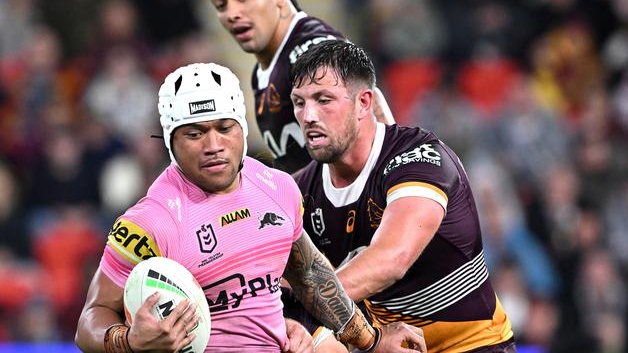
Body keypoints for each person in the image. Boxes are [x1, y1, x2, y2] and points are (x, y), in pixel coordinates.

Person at [74, 62, 426, 353]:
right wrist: (129, 343)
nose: (214, 145)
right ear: (171, 142)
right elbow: (91, 319)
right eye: (194, 134)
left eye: (225, 128)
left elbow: (309, 277)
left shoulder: (277, 187)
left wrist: (371, 340)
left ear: (242, 129)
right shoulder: (149, 221)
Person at [290, 40, 517, 352]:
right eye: (299, 103)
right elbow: (272, 288)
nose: (309, 116)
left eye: (323, 100)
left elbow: (391, 259)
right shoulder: (298, 193)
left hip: (473, 345)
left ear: (364, 103)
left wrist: (306, 306)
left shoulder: (421, 159)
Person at [209, 0, 394, 174]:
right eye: (221, 5)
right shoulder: (261, 73)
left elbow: (370, 106)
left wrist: (394, 183)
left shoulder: (312, 48)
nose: (231, 14)